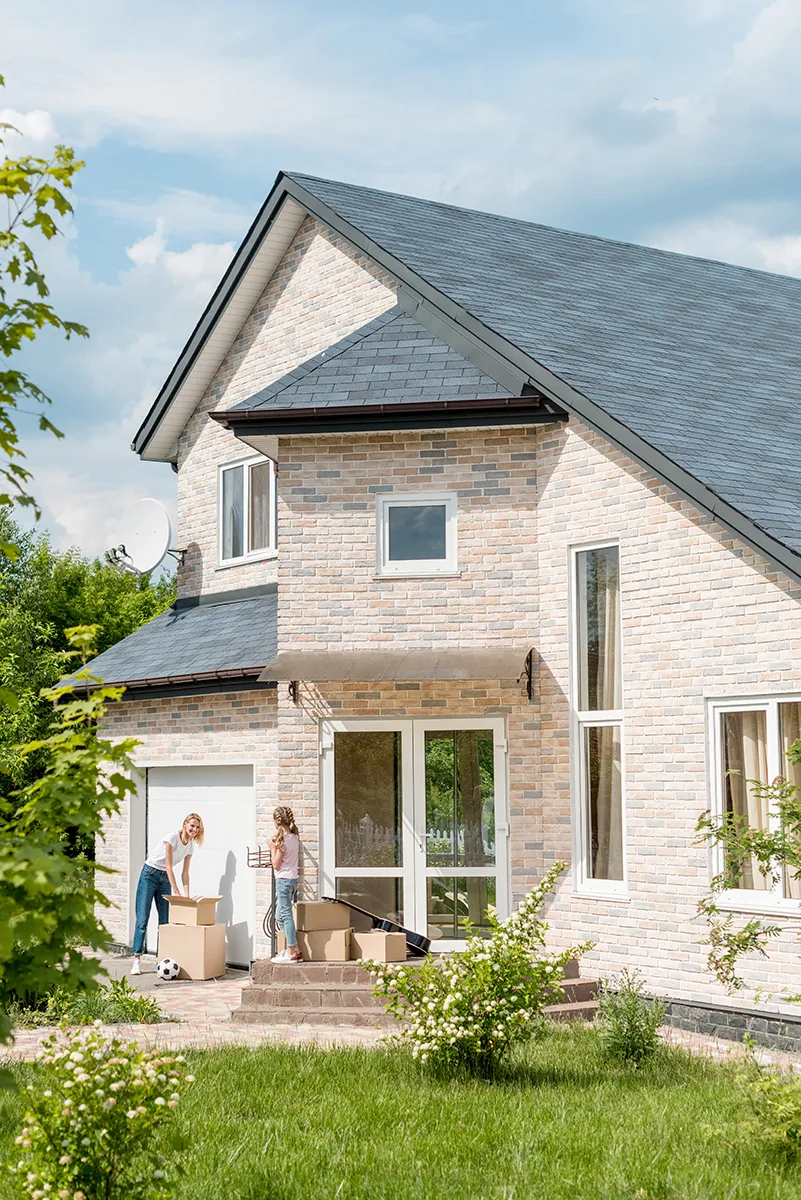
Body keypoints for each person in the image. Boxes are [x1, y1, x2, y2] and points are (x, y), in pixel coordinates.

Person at [130, 813, 204, 976]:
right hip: (149, 874)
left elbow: (185, 873)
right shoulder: (171, 838)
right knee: (142, 919)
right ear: (185, 824)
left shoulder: (190, 846)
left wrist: (187, 896)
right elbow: (170, 867)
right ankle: (136, 960)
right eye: (192, 826)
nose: (194, 829)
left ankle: (161, 959)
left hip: (164, 879)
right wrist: (176, 891)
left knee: (165, 923)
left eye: (197, 827)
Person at [270, 805, 301, 963]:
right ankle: (295, 948)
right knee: (279, 917)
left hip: (283, 880)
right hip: (293, 879)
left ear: (277, 822)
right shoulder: (294, 837)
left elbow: (276, 864)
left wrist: (272, 849)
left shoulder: (281, 841)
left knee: (286, 916)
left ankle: (290, 951)